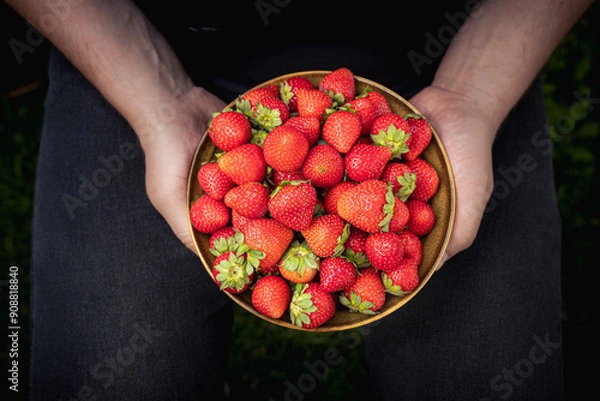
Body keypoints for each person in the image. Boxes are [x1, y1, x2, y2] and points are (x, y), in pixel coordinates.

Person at [6, 0, 592, 400]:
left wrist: (472, 95)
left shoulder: (342, 186)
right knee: (118, 381)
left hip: (452, 49)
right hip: (143, 48)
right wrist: (159, 104)